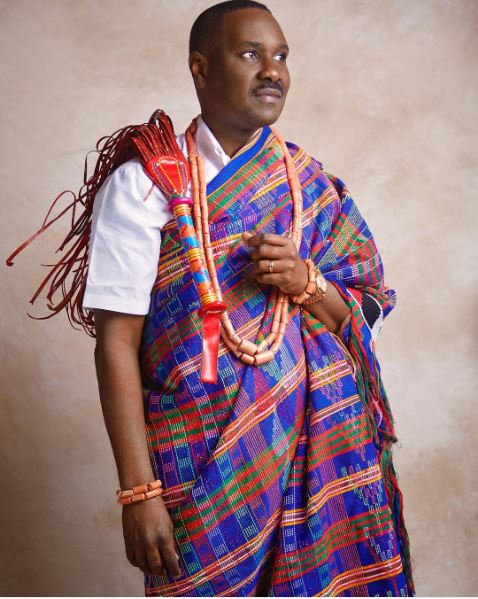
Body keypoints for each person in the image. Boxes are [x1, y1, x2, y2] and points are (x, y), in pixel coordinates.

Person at [8, 0, 413, 596]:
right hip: (198, 459)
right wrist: (138, 492)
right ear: (200, 67)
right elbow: (116, 343)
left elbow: (362, 313)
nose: (272, 71)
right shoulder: (147, 184)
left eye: (281, 56)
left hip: (321, 457)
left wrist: (307, 282)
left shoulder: (310, 186)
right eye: (250, 54)